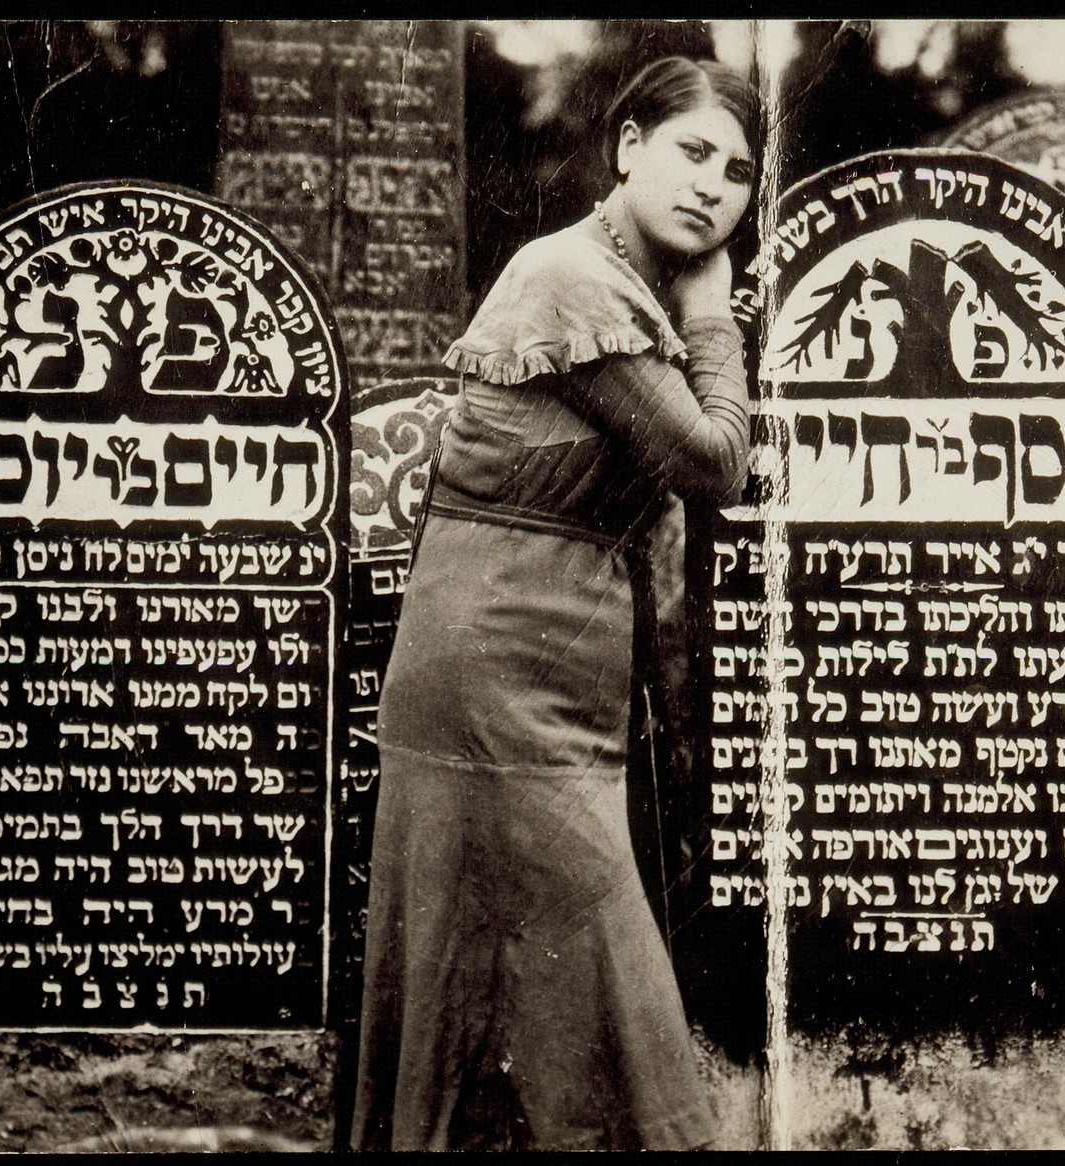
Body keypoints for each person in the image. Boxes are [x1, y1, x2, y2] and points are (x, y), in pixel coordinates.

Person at [351, 56, 758, 1151]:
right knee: (593, 949)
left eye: (736, 170)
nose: (713, 186)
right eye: (690, 152)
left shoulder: (631, 289)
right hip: (489, 671)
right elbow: (713, 460)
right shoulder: (571, 278)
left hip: (552, 673)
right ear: (628, 147)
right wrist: (717, 316)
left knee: (532, 972)